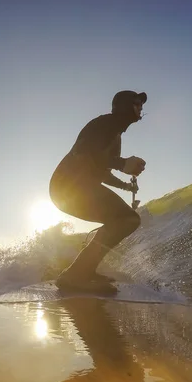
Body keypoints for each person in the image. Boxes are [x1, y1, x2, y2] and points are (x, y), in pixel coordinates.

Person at [49, 90, 147, 292]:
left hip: (72, 188)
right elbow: (83, 154)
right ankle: (75, 275)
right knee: (127, 219)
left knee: (122, 219)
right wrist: (122, 163)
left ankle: (84, 270)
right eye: (137, 103)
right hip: (68, 187)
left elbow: (101, 172)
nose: (141, 107)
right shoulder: (104, 124)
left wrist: (126, 185)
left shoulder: (115, 134)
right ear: (124, 106)